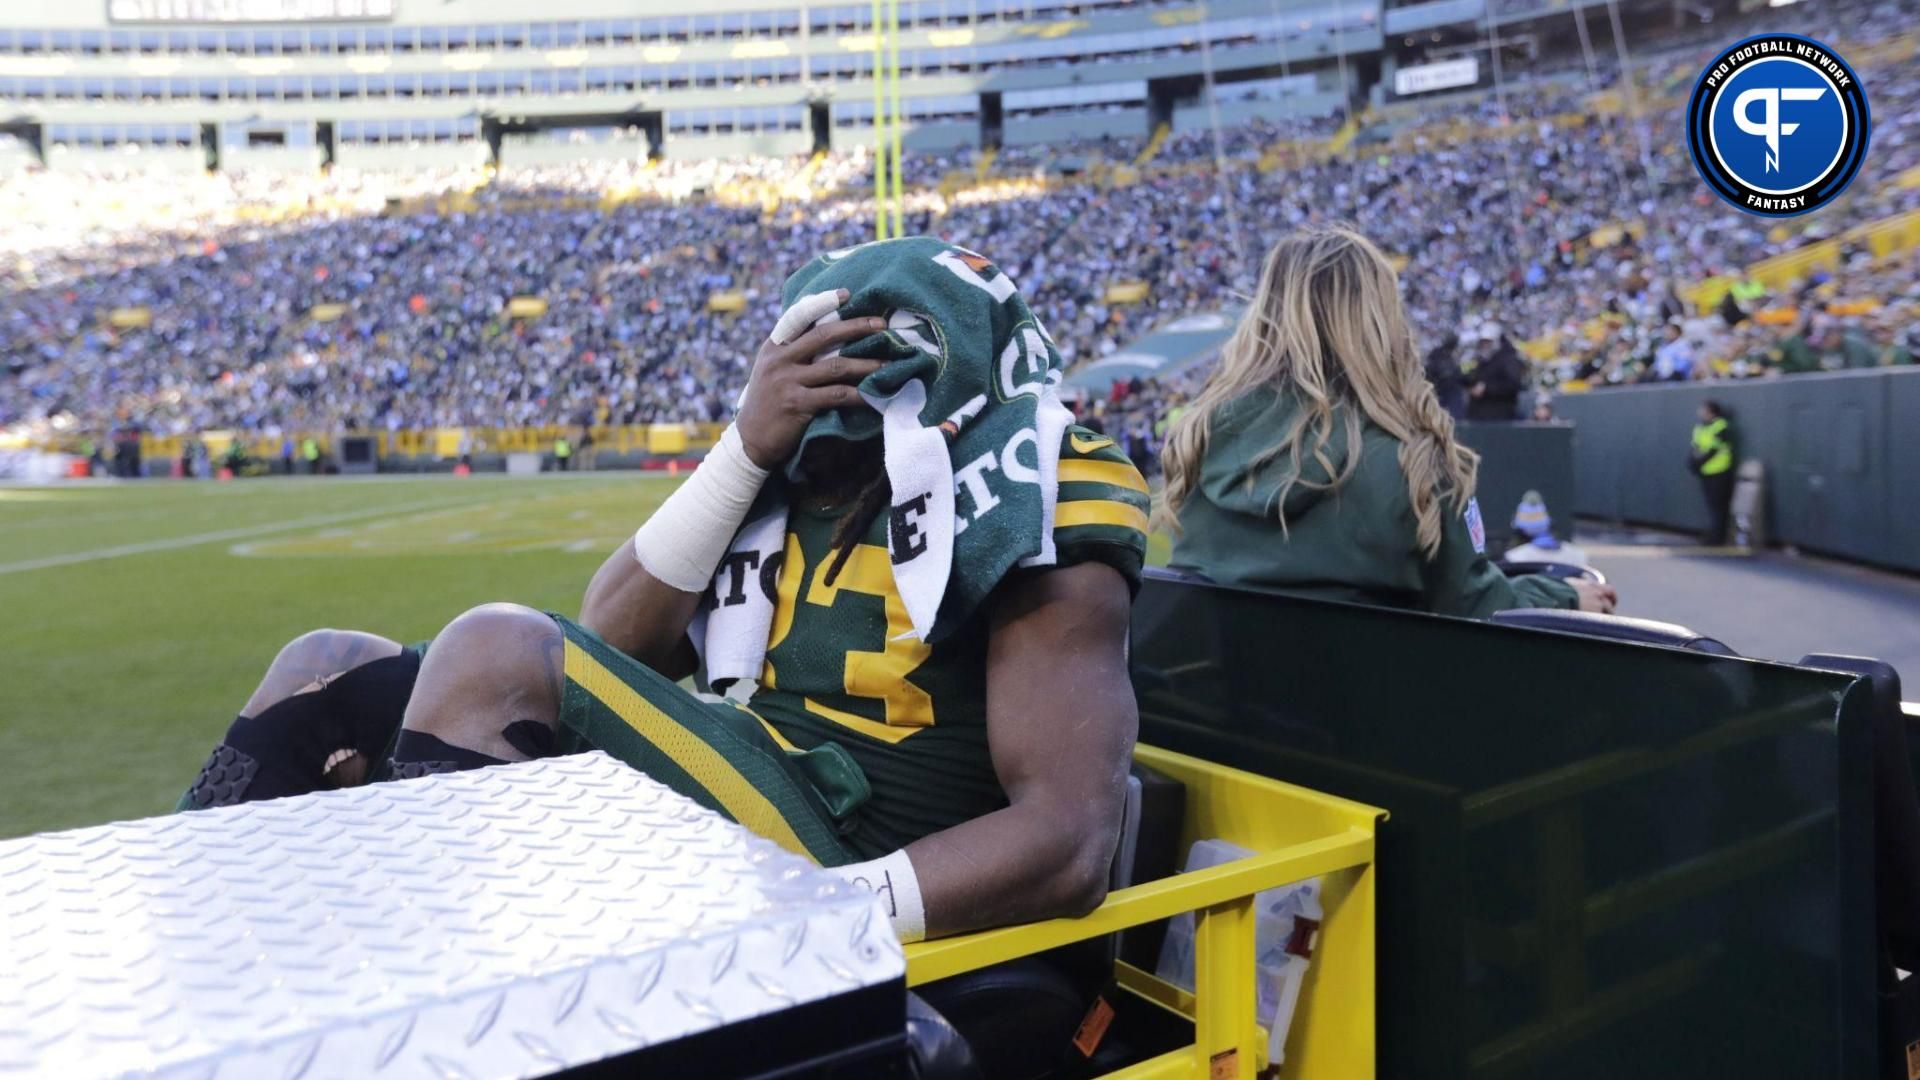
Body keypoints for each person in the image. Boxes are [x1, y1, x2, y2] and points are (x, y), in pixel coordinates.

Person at [178, 239, 1150, 945]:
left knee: (493, 648)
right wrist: (745, 448)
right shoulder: (796, 477)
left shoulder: (1041, 486)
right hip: (756, 779)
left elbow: (1068, 840)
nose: (822, 389)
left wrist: (837, 912)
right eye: (802, 362)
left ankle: (428, 1004)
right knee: (326, 671)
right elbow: (615, 640)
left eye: (848, 364)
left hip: (855, 847)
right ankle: (196, 947)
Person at [1160, 225, 1615, 618]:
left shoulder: (1199, 442)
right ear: (1380, 322)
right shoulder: (1412, 462)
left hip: (1222, 715)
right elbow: (1478, 608)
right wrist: (1563, 596)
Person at [1689, 400, 1737, 546]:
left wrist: (1700, 462)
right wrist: (1693, 463)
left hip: (1720, 471)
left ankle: (1718, 537)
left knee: (1719, 506)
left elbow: (1715, 449)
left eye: (1703, 410)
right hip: (1706, 472)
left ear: (1710, 411)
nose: (1701, 412)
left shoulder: (1721, 426)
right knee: (1711, 505)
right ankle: (1712, 534)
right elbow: (1696, 447)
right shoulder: (1700, 427)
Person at [1466, 326, 1525, 422]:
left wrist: (1487, 388)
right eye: (1483, 342)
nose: (1485, 345)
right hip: (1481, 415)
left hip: (1500, 415)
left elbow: (1513, 385)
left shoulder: (1507, 359)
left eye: (1488, 342)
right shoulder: (1484, 359)